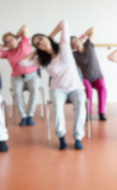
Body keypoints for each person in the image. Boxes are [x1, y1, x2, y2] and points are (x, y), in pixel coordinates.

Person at [20, 19, 86, 150]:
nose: (41, 42)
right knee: (57, 106)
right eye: (37, 43)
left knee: (80, 103)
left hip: (76, 87)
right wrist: (37, 51)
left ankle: (78, 137)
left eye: (41, 39)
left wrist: (49, 37)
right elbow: (22, 62)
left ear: (46, 37)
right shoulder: (41, 59)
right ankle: (61, 137)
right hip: (58, 89)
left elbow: (64, 23)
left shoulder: (64, 46)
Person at [0, 25, 40, 126]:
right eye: (8, 42)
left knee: (35, 91)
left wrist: (16, 37)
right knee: (17, 94)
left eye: (11, 40)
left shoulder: (24, 43)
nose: (10, 42)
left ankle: (30, 115)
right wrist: (4, 45)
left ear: (16, 38)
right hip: (17, 77)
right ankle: (23, 116)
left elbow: (25, 27)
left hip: (32, 75)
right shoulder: (7, 53)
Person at [71, 27, 107, 121]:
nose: (75, 43)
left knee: (102, 88)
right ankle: (88, 113)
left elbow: (92, 29)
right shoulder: (74, 55)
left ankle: (101, 113)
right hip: (86, 78)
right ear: (72, 46)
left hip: (97, 76)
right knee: (88, 90)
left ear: (79, 40)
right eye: (73, 44)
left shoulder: (88, 45)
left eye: (75, 41)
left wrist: (81, 37)